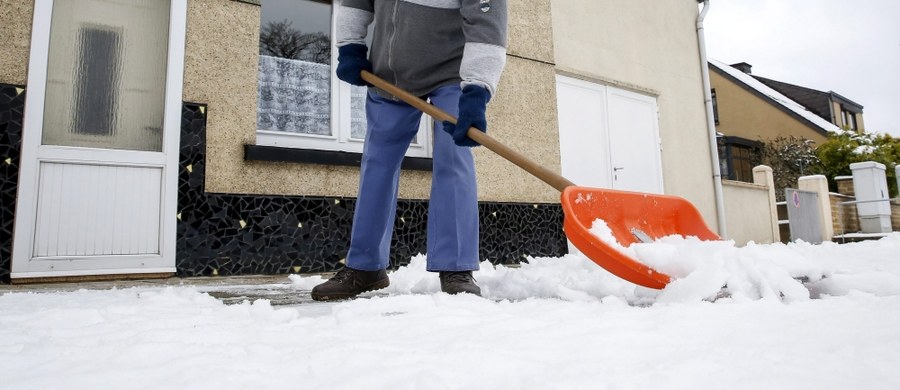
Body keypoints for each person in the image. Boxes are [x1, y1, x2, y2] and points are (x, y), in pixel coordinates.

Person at [311, 0, 508, 301]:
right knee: (377, 162)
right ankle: (365, 267)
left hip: (453, 75)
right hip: (390, 72)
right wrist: (350, 45)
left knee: (454, 156)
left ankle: (455, 267)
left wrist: (477, 89)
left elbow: (487, 21)